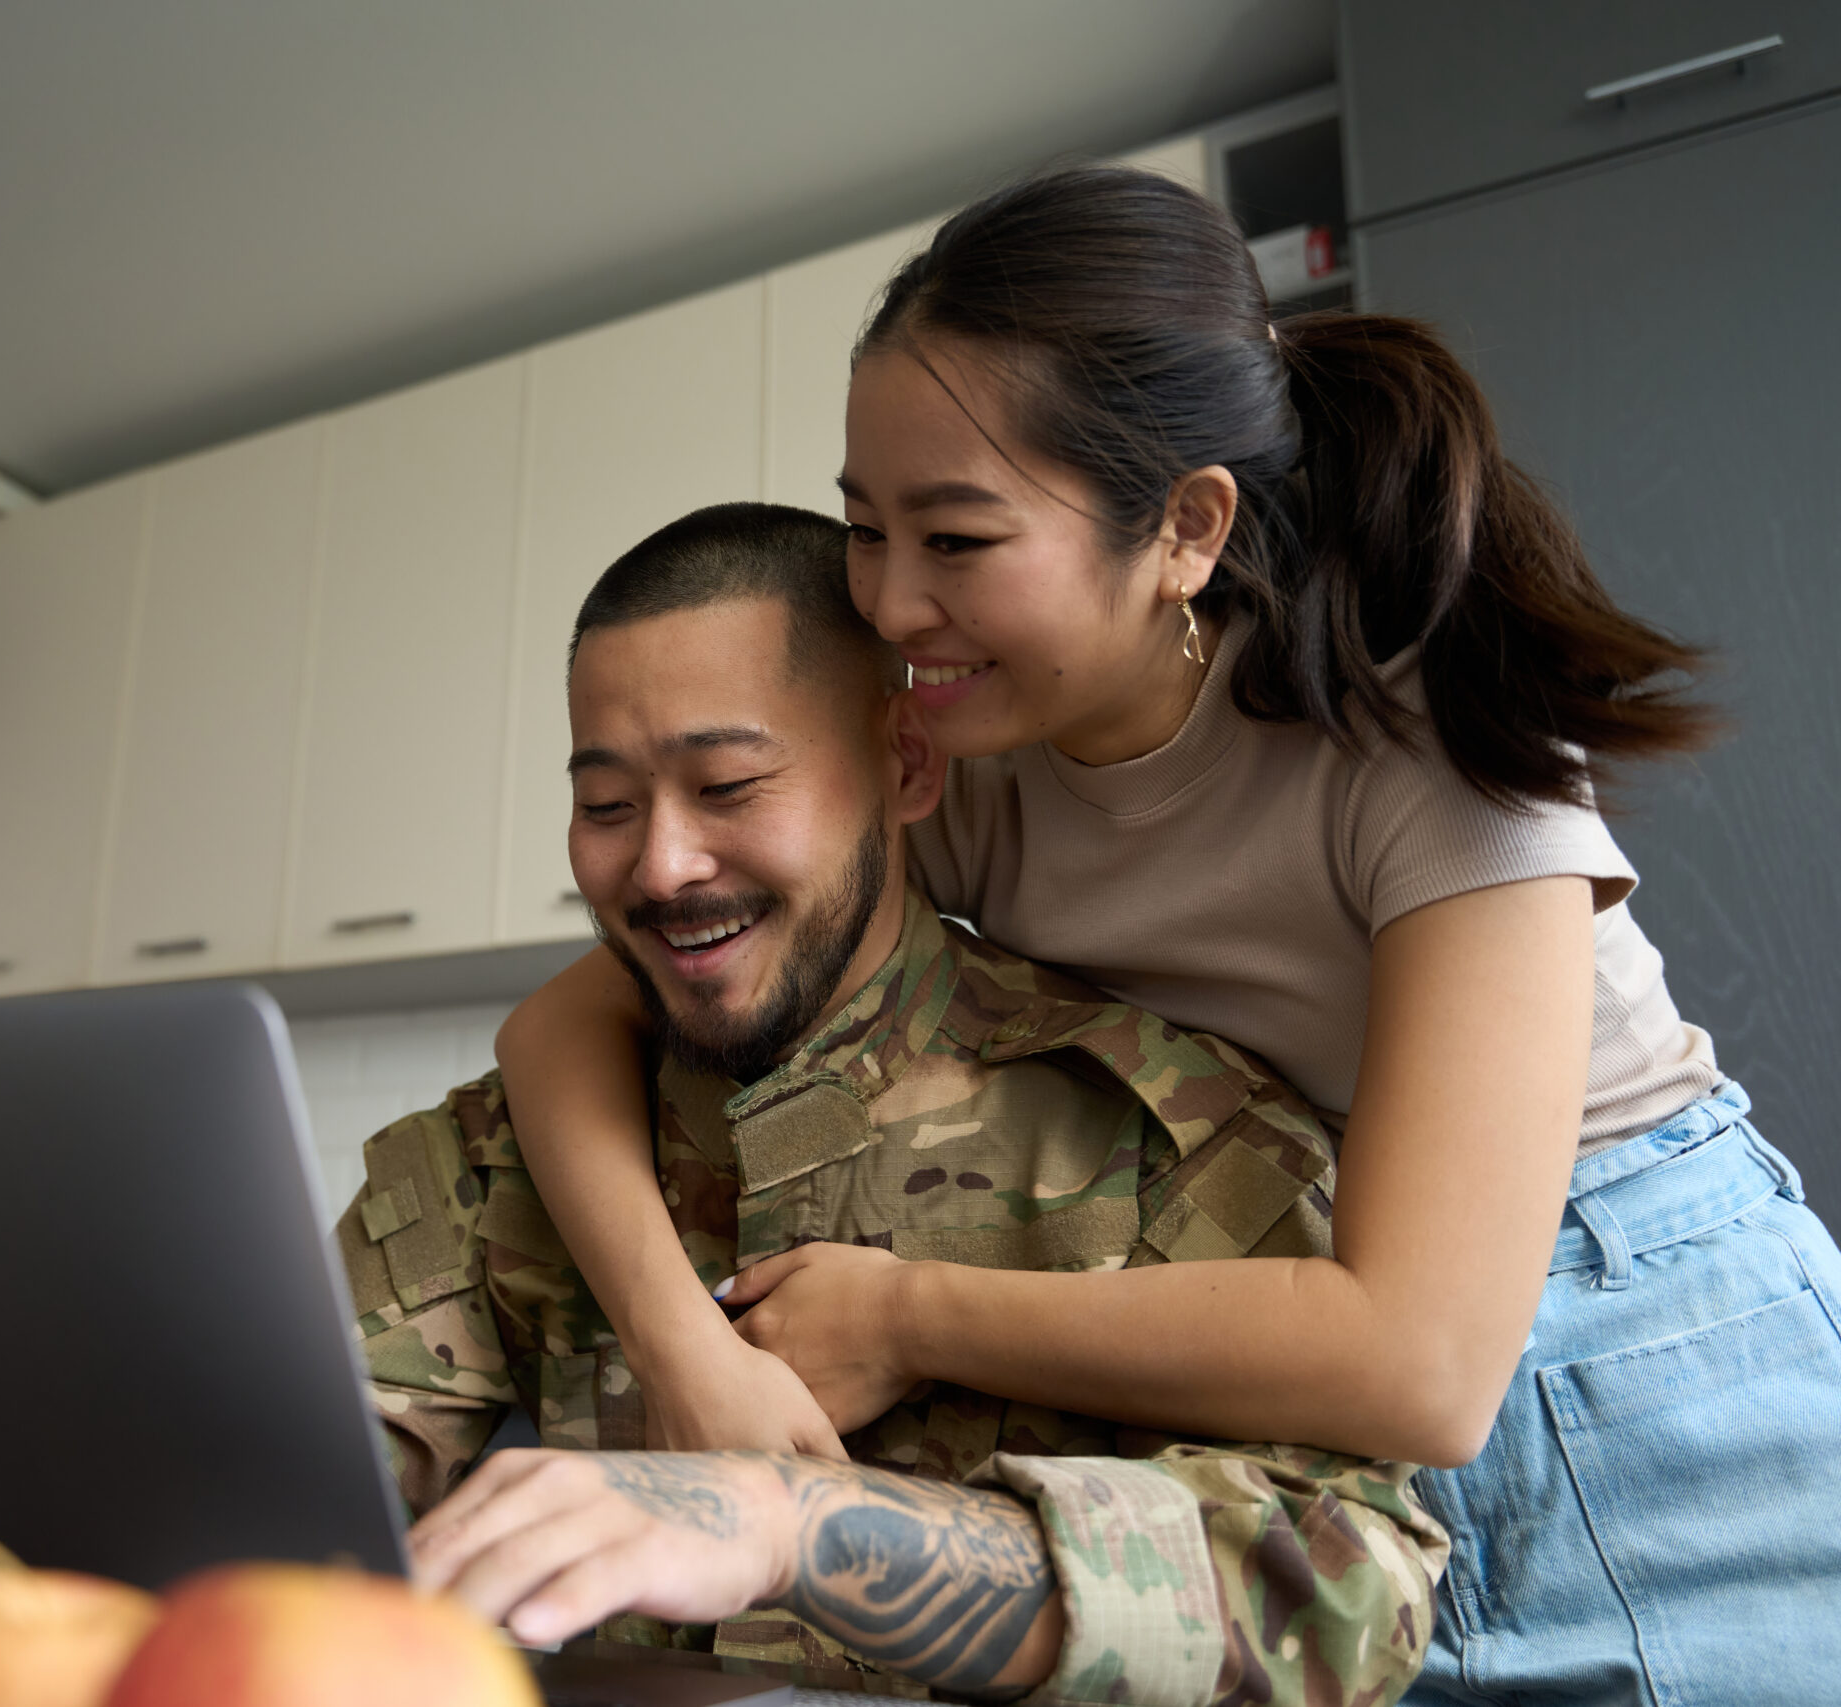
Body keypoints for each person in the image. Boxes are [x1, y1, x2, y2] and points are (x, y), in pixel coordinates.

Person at [492, 168, 1841, 1703]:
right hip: (1265, 1364)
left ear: (1187, 526)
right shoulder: (964, 755)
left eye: (958, 538)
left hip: (1626, 1348)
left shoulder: (1427, 719)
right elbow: (566, 1025)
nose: (891, 601)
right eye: (866, 528)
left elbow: (1422, 1357)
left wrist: (905, 1307)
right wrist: (691, 1349)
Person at [349, 502, 1446, 1703]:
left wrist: (813, 1528)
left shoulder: (1164, 1133)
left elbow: (1341, 1596)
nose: (659, 866)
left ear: (907, 766)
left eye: (726, 785)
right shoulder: (489, 1157)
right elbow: (296, 1486)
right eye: (606, 807)